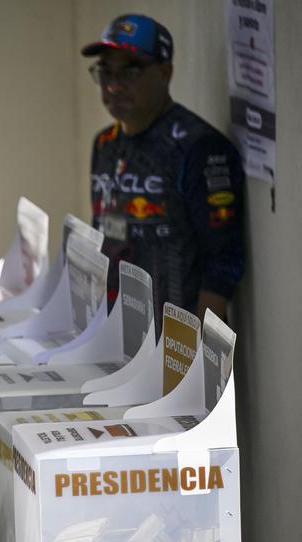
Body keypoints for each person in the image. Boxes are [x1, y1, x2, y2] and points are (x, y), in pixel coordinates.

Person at [83, 14, 245, 324]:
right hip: (114, 336)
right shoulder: (104, 144)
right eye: (105, 73)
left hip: (177, 344)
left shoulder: (199, 148)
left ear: (165, 73)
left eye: (130, 72)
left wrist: (195, 358)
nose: (114, 86)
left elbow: (223, 263)